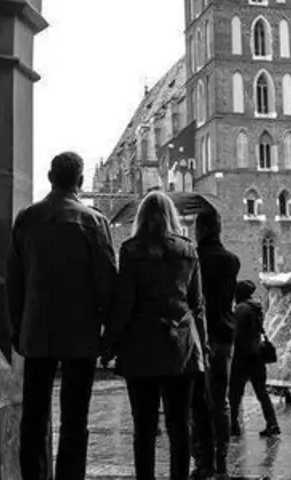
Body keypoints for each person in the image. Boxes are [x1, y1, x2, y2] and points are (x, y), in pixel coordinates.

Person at [7, 152, 118, 480]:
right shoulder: (92, 221)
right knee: (74, 420)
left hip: (36, 328)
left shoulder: (27, 219)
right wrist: (109, 333)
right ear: (80, 181)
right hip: (80, 333)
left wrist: (17, 326)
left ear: (49, 176)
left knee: (34, 416)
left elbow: (13, 280)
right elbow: (107, 282)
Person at [104, 191, 207, 480]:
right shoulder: (188, 250)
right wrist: (204, 347)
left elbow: (124, 302)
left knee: (145, 427)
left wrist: (110, 341)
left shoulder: (131, 250)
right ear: (172, 216)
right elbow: (197, 304)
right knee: (179, 424)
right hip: (181, 344)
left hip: (142, 344)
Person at [189, 207, 241, 479]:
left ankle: (203, 461)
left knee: (199, 403)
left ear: (205, 229)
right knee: (221, 402)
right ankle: (222, 460)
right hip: (226, 335)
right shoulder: (232, 261)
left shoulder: (196, 259)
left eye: (197, 228)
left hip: (202, 337)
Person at [227, 280, 280, 439]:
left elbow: (234, 331)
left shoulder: (241, 309)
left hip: (243, 355)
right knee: (262, 392)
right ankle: (272, 424)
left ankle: (234, 425)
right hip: (257, 354)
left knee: (235, 393)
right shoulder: (257, 307)